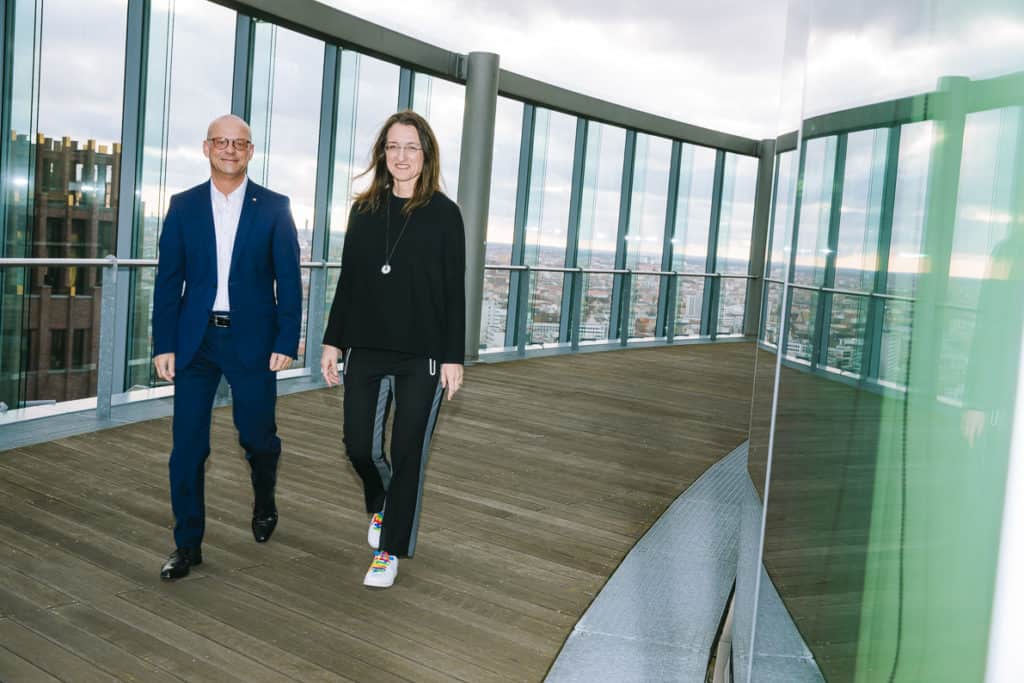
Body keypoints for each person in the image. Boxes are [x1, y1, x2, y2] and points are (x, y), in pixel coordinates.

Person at [151, 114, 301, 580]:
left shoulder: (275, 206)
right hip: (196, 342)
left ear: (251, 151)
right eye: (222, 141)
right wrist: (164, 343)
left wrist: (286, 341)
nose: (230, 149)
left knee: (257, 437)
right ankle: (187, 544)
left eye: (240, 143)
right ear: (206, 147)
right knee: (187, 448)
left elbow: (290, 281)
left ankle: (264, 495)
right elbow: (168, 281)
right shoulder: (183, 206)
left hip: (253, 341)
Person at [321, 110, 465, 589]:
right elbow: (349, 283)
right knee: (358, 446)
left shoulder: (445, 215)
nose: (401, 157)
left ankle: (390, 550)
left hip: (421, 354)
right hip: (365, 346)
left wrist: (453, 357)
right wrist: (332, 341)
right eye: (393, 147)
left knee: (407, 452)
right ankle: (380, 501)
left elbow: (453, 291)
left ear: (426, 156)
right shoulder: (363, 212)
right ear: (383, 154)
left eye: (411, 148)